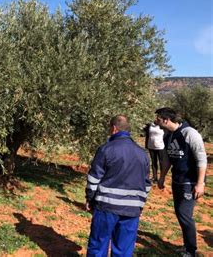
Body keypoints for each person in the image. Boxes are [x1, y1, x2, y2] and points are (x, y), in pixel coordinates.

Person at [86, 115, 151, 257]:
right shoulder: (143, 154)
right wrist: (140, 206)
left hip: (106, 207)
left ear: (114, 129)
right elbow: (146, 184)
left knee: (98, 244)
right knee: (123, 249)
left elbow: (94, 178)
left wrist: (90, 199)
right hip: (132, 209)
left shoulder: (106, 149)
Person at [156, 107, 207, 257]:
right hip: (177, 180)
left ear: (166, 120)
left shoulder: (189, 133)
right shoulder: (167, 135)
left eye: (158, 118)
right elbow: (166, 159)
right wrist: (162, 176)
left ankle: (191, 251)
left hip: (190, 181)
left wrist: (200, 183)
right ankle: (187, 246)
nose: (156, 121)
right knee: (180, 213)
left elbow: (201, 159)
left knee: (185, 215)